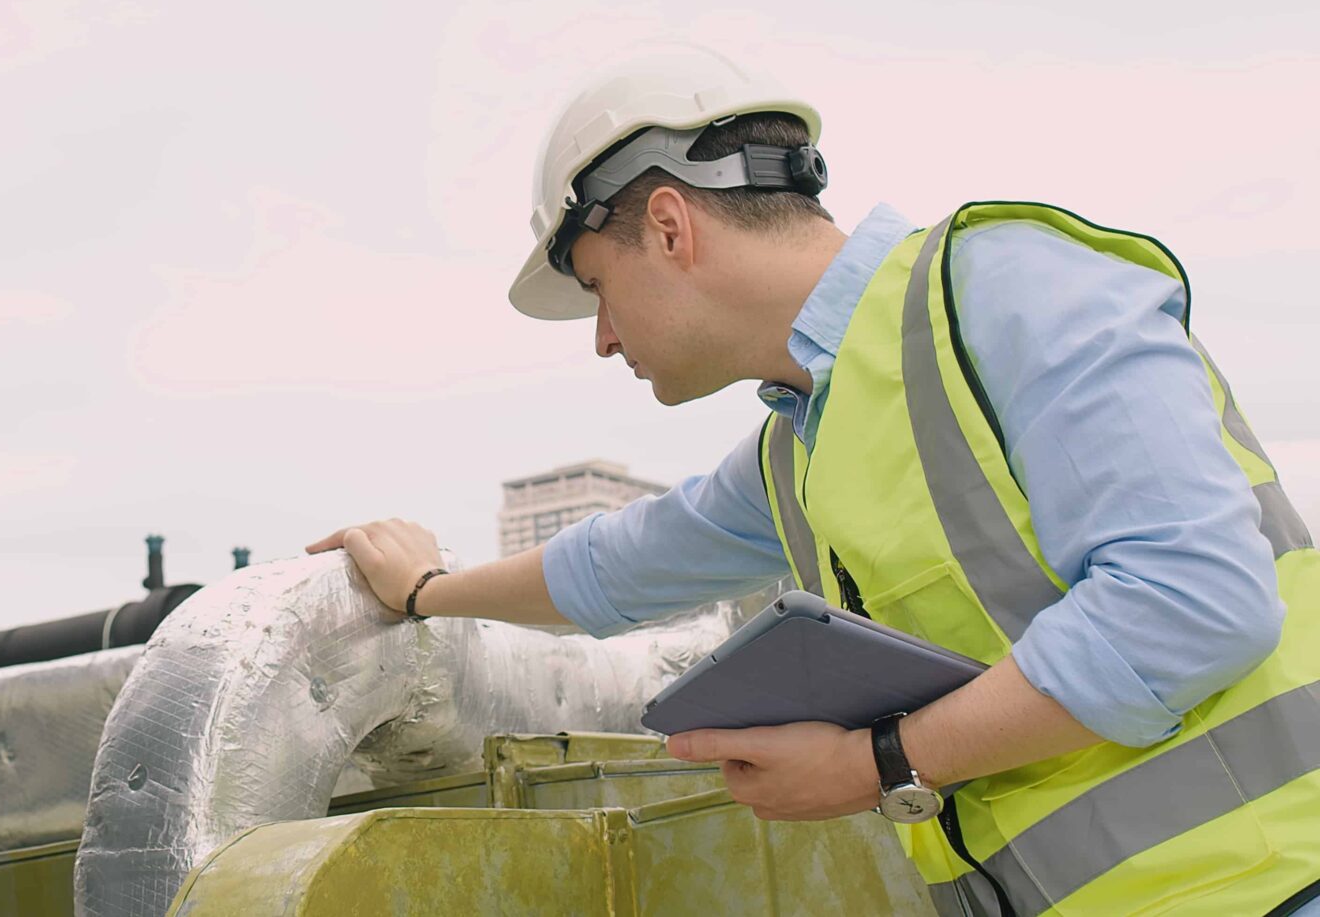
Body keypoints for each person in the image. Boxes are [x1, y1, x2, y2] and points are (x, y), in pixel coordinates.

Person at [307, 46, 1320, 917]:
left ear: (670, 226)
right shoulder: (796, 447)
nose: (604, 338)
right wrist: (427, 590)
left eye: (598, 288)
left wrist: (880, 760)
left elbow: (1191, 603)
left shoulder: (1011, 284)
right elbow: (617, 565)